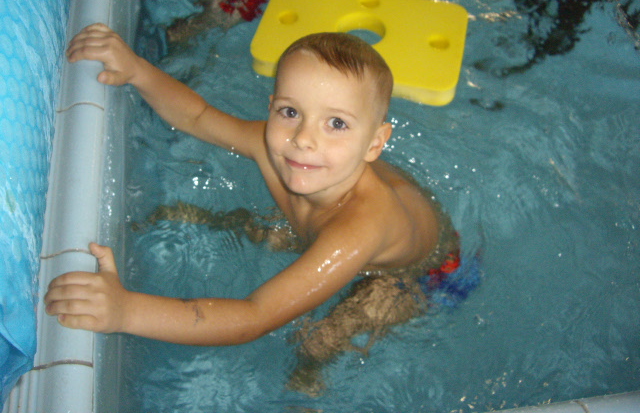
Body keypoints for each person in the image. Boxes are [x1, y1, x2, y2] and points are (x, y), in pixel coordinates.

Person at [45, 23, 461, 394]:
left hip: (418, 274)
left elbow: (253, 317)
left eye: (336, 123)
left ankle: (308, 386)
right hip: (347, 223)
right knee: (261, 229)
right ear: (272, 107)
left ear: (375, 143)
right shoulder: (276, 147)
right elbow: (198, 117)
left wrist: (125, 311)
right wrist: (137, 70)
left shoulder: (359, 229)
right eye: (290, 112)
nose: (303, 138)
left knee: (316, 340)